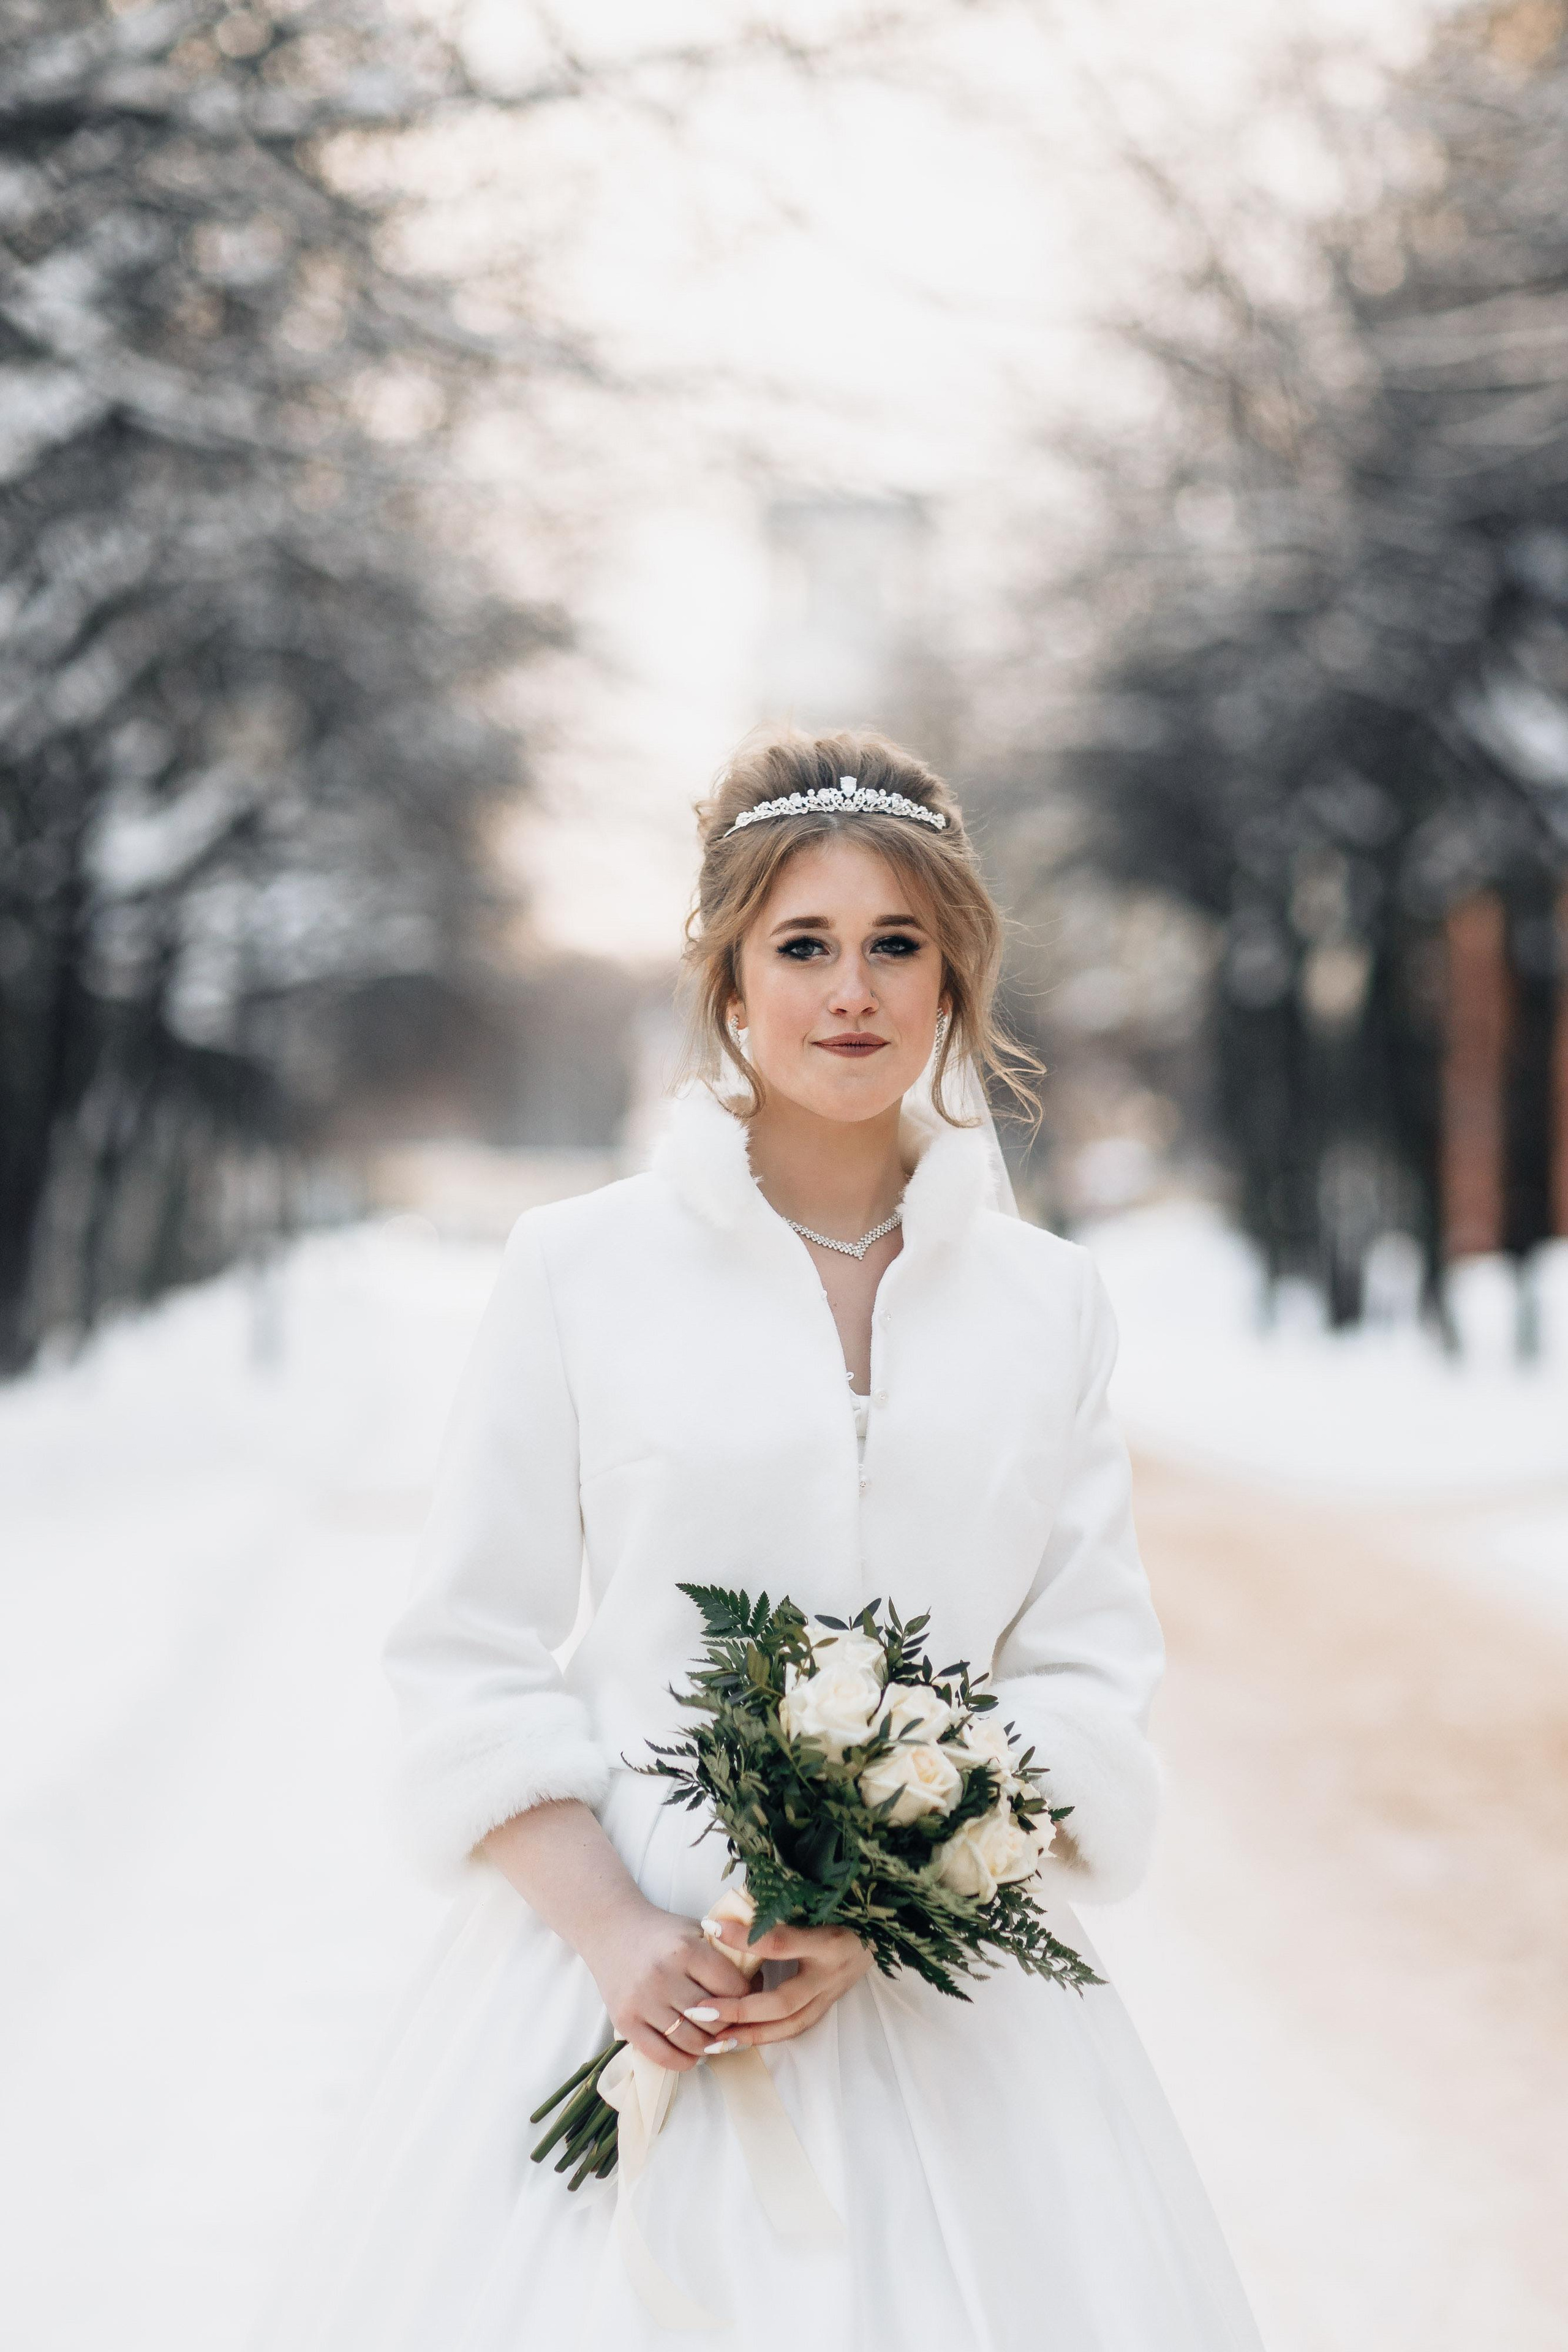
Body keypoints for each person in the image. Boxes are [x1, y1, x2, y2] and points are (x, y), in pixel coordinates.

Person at [256, 729, 1264, 2351]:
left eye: (896, 945)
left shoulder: (1047, 1302)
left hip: (951, 1997)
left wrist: (889, 1893)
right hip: (631, 1965)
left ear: (955, 975)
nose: (848, 991)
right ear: (730, 978)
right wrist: (612, 1934)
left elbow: (1085, 1666)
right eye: (802, 945)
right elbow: (467, 1651)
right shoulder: (579, 1271)